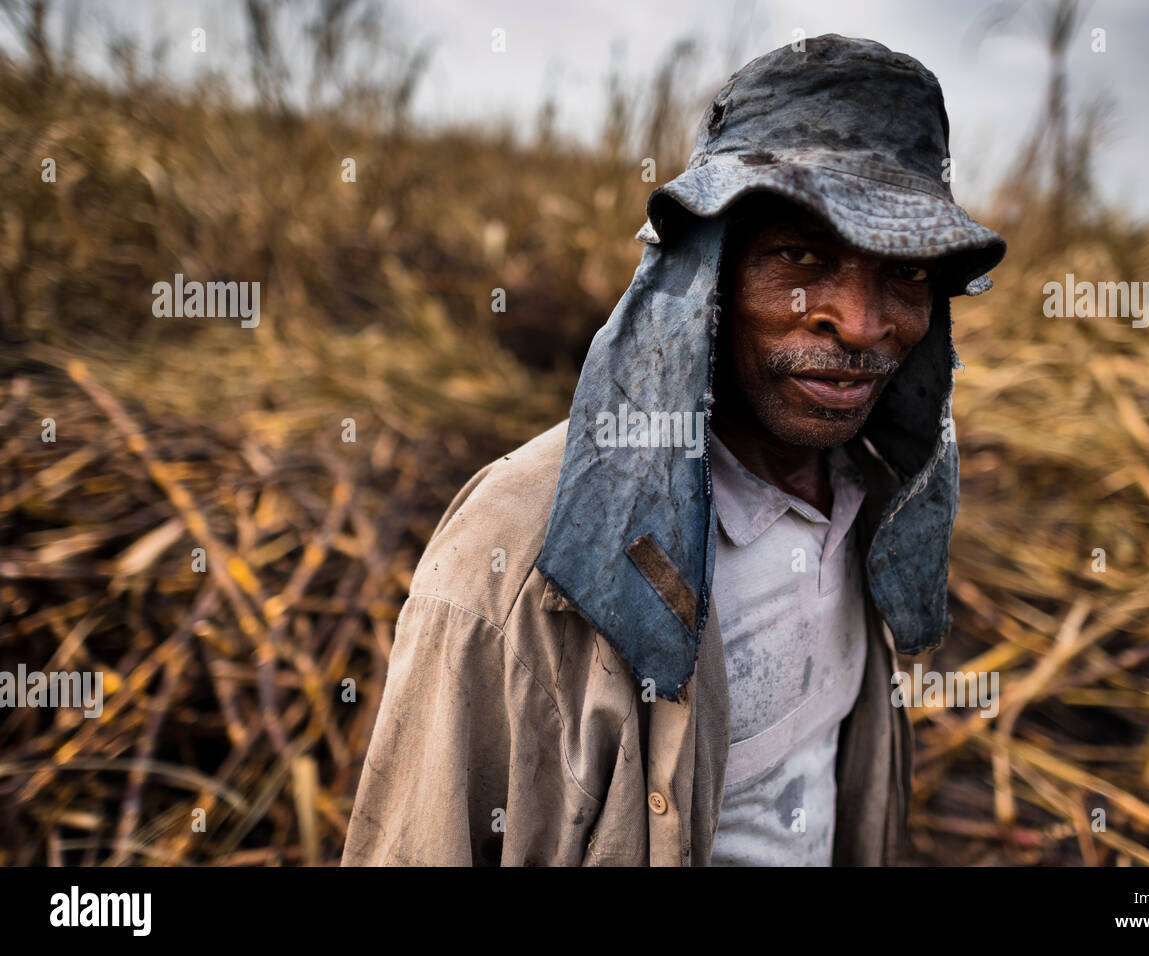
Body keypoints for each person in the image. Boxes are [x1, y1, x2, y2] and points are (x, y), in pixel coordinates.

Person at [342, 33, 1006, 866]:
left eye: (904, 273)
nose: (863, 323)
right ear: (707, 274)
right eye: (800, 257)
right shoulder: (514, 563)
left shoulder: (868, 507)